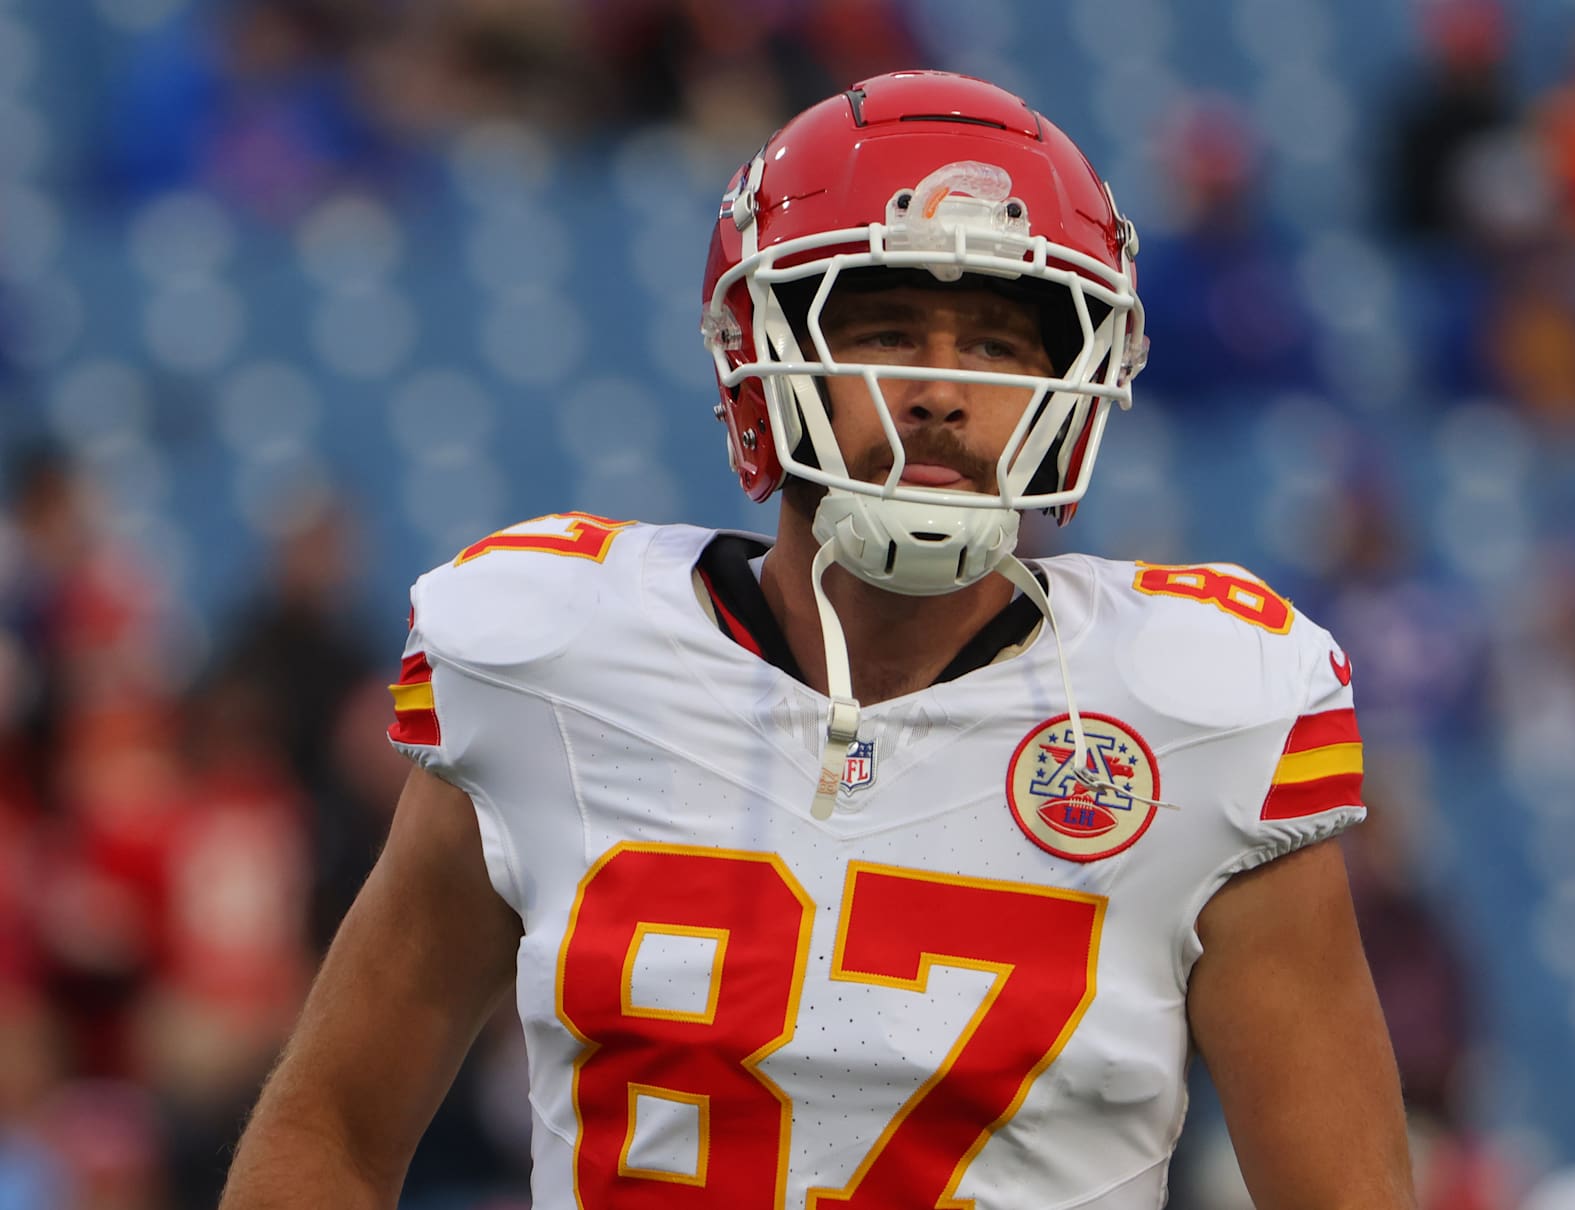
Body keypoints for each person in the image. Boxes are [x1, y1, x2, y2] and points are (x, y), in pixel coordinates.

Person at [219, 70, 1413, 1208]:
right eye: (888, 330)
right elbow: (332, 1129)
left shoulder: (1203, 711)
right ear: (763, 347)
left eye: (997, 346)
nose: (942, 390)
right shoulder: (554, 662)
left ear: (1076, 378)